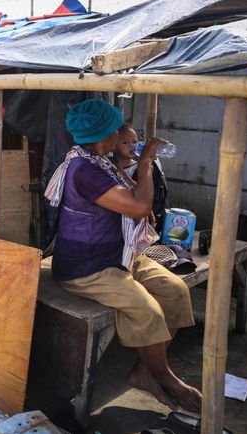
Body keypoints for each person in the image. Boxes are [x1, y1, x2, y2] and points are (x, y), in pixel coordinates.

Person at [45, 99, 201, 413]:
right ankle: (165, 375)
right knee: (150, 312)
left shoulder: (97, 159)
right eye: (117, 131)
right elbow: (140, 206)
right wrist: (144, 163)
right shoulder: (84, 169)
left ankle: (145, 371)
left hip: (118, 254)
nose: (121, 135)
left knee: (176, 292)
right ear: (104, 135)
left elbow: (132, 198)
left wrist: (132, 166)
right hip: (87, 267)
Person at [112, 124, 170, 232]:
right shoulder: (108, 164)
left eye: (134, 141)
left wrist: (123, 175)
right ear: (113, 145)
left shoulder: (141, 167)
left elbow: (142, 192)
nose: (132, 146)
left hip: (136, 223)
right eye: (125, 142)